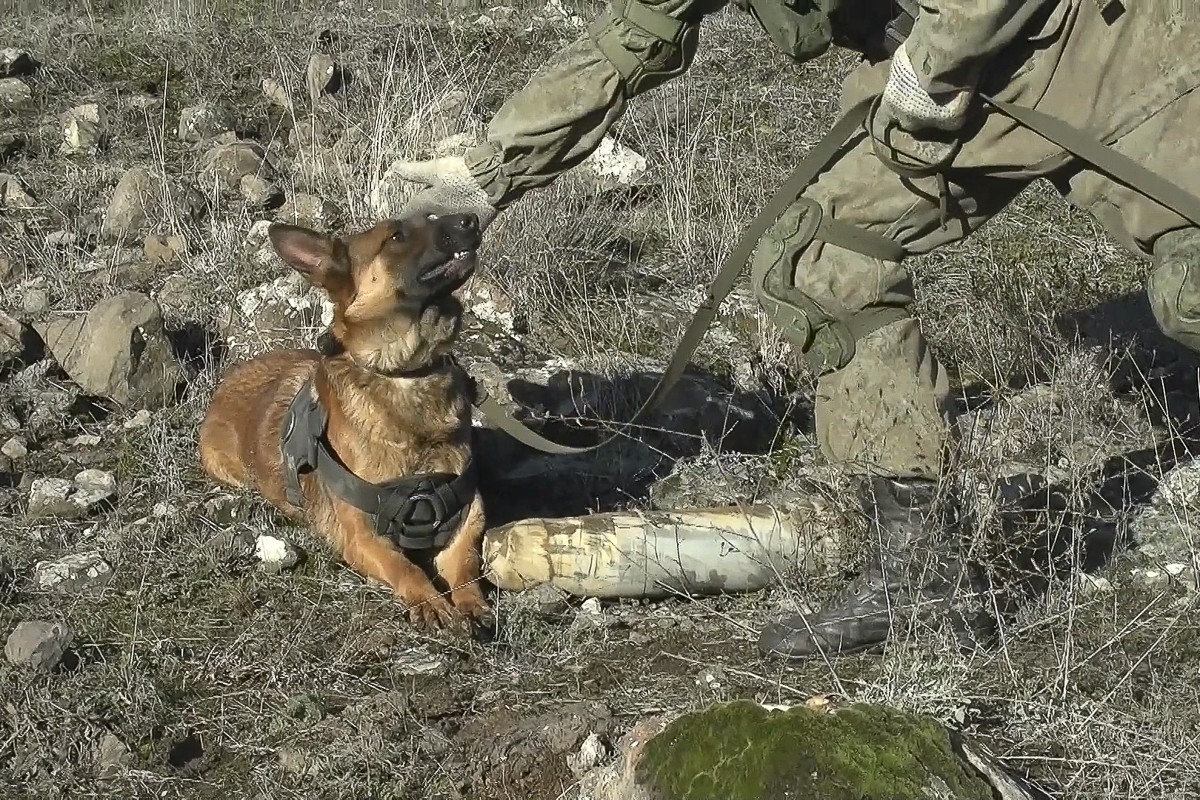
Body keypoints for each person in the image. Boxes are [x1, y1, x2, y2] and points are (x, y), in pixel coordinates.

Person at [388, 0, 1200, 659]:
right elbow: (628, 43)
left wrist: (937, 54)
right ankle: (920, 574)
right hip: (955, 95)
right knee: (817, 258)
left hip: (1122, 60)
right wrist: (488, 172)